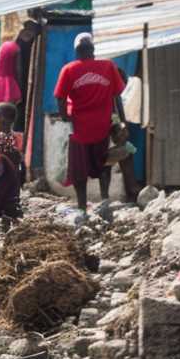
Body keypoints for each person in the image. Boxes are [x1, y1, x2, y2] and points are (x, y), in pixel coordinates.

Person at [53, 32, 125, 223]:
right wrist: (121, 122)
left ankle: (83, 208)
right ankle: (104, 200)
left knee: (79, 171)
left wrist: (65, 116)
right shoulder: (108, 66)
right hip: (103, 127)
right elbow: (117, 96)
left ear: (76, 51)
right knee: (103, 165)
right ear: (93, 50)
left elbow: (59, 97)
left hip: (80, 129)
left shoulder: (69, 70)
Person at [0, 22, 37, 108]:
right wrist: (19, 83)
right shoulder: (17, 48)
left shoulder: (4, 46)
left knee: (2, 104)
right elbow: (18, 67)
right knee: (10, 104)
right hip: (12, 78)